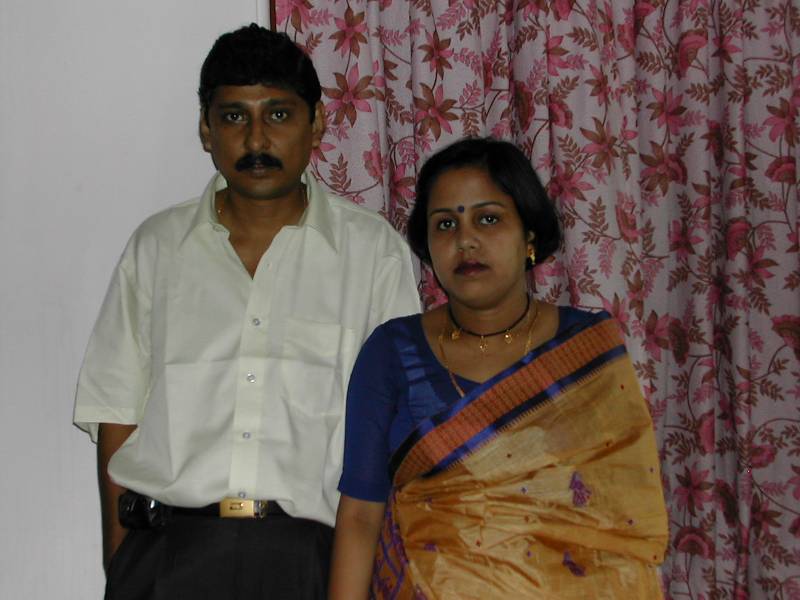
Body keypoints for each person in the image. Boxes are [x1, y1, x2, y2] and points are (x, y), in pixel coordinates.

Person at [73, 24, 420, 600]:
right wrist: (123, 562)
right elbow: (115, 410)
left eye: (278, 115)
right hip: (168, 555)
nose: (256, 139)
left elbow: (395, 429)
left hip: (313, 560)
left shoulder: (373, 253)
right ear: (206, 129)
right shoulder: (157, 248)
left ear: (317, 123)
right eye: (234, 117)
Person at [329, 137, 669, 599]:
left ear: (529, 235)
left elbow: (619, 522)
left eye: (488, 219)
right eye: (445, 224)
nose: (465, 240)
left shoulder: (584, 351)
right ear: (428, 246)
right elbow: (360, 516)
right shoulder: (391, 350)